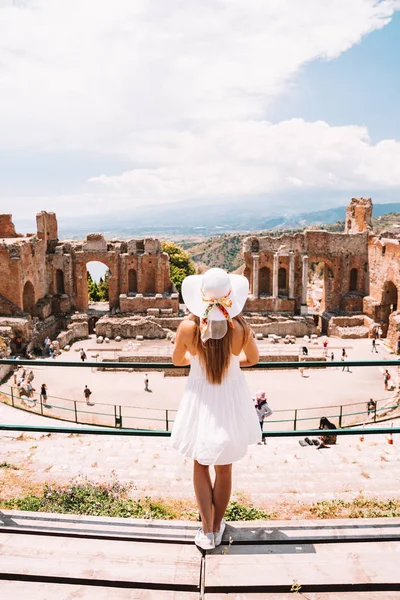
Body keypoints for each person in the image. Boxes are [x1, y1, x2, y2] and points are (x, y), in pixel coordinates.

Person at [171, 268, 260, 550]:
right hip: (230, 400)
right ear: (229, 296)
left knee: (200, 463)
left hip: (201, 398)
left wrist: (199, 362)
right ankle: (218, 525)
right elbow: (252, 359)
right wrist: (232, 365)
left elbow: (177, 361)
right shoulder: (241, 328)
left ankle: (207, 529)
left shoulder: (188, 327)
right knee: (225, 469)